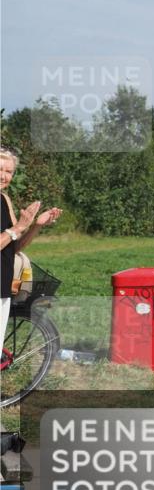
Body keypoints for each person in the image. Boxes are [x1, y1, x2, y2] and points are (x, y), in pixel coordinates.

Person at [0, 146, 62, 351]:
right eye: (0, 169)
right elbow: (14, 231)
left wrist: (36, 225)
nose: (3, 176)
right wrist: (17, 227)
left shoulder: (4, 199)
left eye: (9, 171)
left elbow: (15, 246)